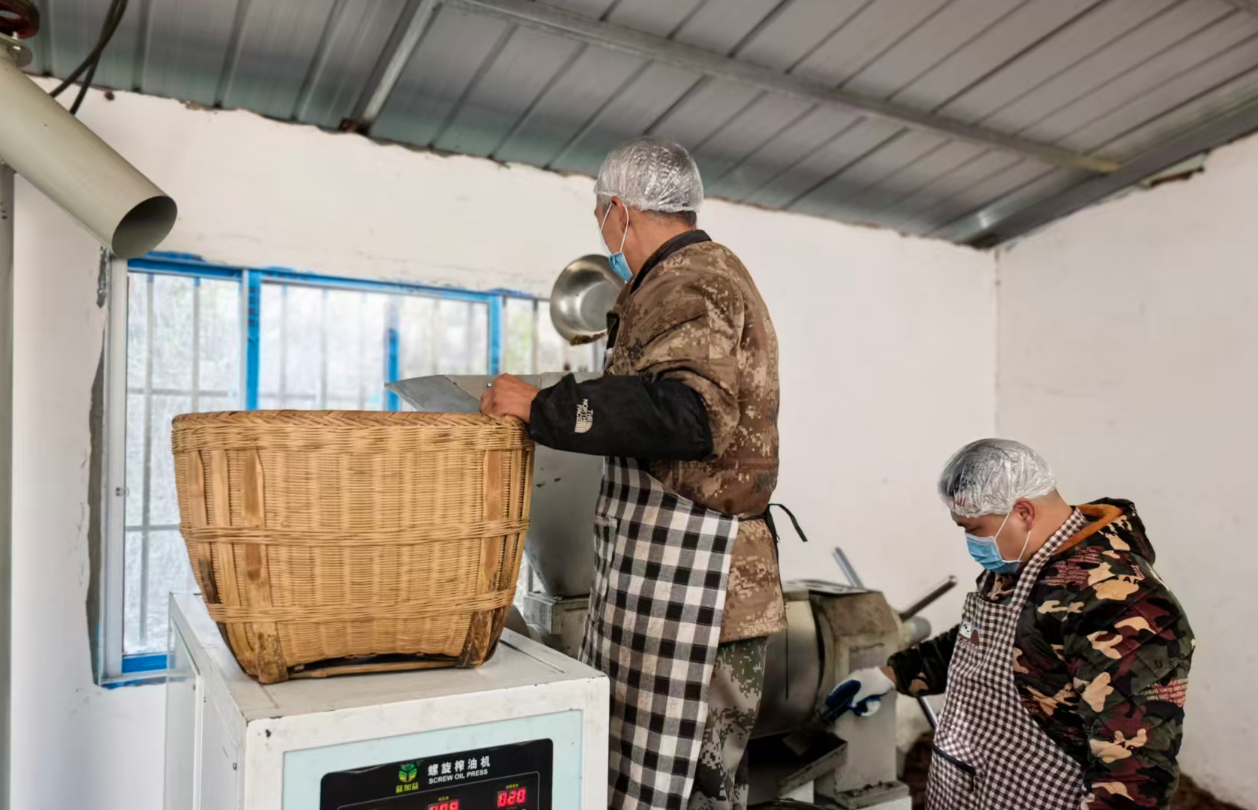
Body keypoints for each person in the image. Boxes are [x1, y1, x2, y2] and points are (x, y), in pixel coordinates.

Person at [480, 136, 784, 810]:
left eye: (599, 215)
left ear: (619, 209)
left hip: (702, 594)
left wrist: (544, 406)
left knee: (693, 791)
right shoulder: (675, 280)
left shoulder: (692, 279)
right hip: (664, 586)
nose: (602, 229)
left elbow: (691, 415)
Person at [843, 439, 1193, 810]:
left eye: (974, 529)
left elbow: (1135, 774)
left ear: (1024, 512)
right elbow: (980, 643)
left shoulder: (1118, 600)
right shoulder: (1019, 563)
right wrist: (892, 674)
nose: (971, 542)